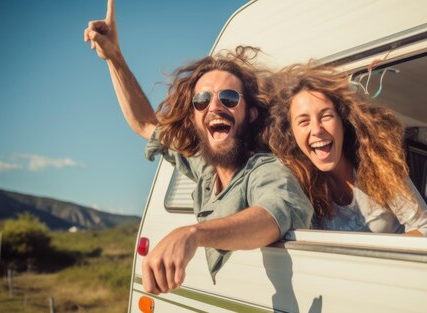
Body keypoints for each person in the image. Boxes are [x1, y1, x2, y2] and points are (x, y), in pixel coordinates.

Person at [83, 0, 313, 294]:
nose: (214, 107)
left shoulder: (265, 170)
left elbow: (274, 214)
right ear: (194, 116)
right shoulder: (206, 168)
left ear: (251, 113)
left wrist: (193, 234)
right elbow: (145, 124)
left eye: (229, 98)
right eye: (202, 101)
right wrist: (114, 58)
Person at [268, 63, 427, 235]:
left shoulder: (378, 167)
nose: (317, 129)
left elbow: (426, 227)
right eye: (304, 121)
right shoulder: (298, 183)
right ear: (292, 134)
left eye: (326, 116)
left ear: (343, 122)